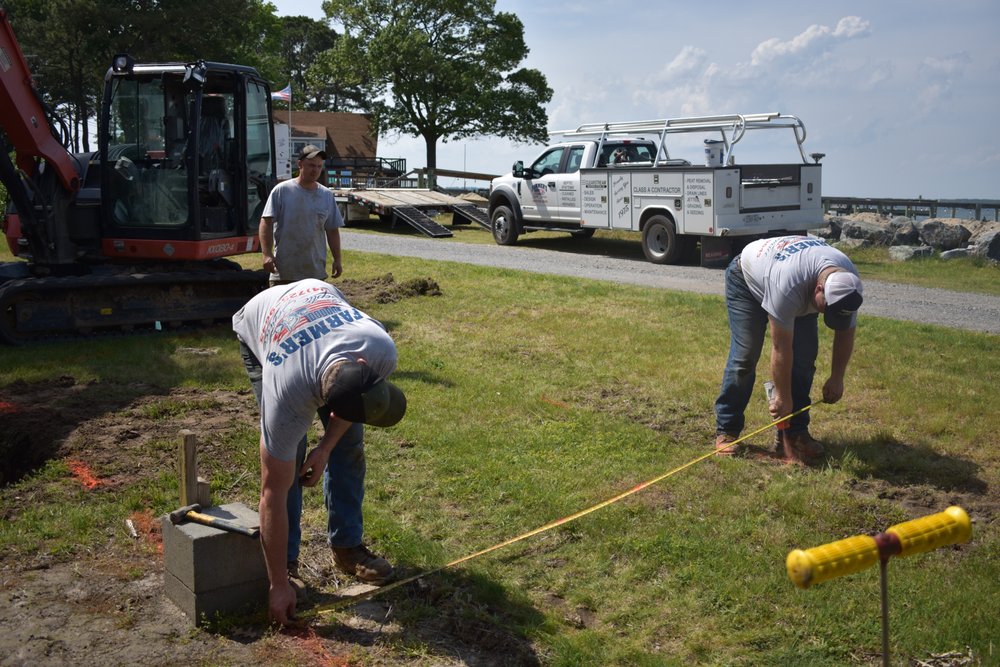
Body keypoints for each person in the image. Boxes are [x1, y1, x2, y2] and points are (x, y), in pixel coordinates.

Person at [233, 279, 407, 625]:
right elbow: (271, 494)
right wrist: (277, 586)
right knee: (289, 461)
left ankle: (347, 546)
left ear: (363, 362)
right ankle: (286, 565)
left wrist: (327, 447)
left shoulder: (378, 349)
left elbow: (350, 407)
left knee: (349, 445)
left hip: (316, 295)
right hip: (262, 322)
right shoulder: (286, 393)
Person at [713, 235, 864, 463]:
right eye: (826, 309)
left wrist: (837, 376)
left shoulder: (848, 285)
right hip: (747, 279)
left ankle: (795, 433)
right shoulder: (788, 283)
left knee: (804, 360)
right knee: (745, 356)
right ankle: (727, 430)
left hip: (794, 283)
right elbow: (781, 348)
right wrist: (782, 397)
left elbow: (845, 333)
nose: (826, 316)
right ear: (819, 289)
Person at [260, 144, 344, 285]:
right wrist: (267, 254)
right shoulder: (282, 191)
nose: (315, 170)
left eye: (319, 166)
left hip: (315, 273)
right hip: (284, 273)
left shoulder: (326, 195)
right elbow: (266, 222)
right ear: (300, 164)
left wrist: (338, 259)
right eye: (311, 165)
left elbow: (332, 230)